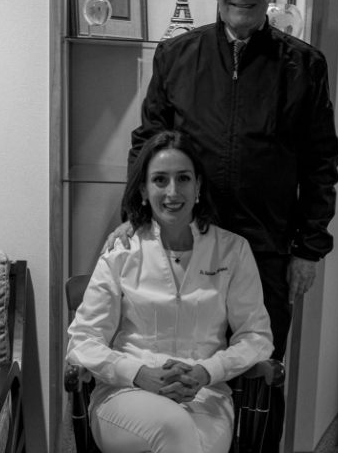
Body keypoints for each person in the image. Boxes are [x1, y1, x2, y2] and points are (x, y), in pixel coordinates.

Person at [105, 0, 338, 451]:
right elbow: (148, 145)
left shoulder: (305, 66)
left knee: (259, 373)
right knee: (183, 365)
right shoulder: (175, 56)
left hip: (267, 247)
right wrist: (136, 218)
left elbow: (321, 163)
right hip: (187, 243)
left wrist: (308, 248)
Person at [68, 131, 273, 453]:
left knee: (187, 438)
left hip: (205, 398)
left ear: (199, 185)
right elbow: (83, 341)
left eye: (183, 178)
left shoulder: (233, 251)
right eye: (160, 180)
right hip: (124, 395)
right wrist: (138, 374)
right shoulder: (122, 252)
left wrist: (208, 372)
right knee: (176, 431)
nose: (172, 192)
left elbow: (256, 337)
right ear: (143, 190)